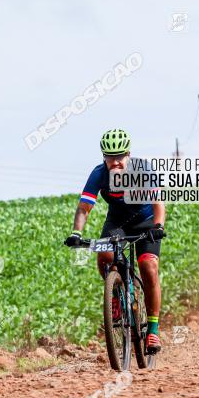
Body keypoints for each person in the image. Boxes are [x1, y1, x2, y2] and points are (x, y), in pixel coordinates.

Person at [64, 129, 166, 353]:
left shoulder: (143, 170)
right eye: (111, 157)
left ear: (128, 154)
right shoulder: (99, 174)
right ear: (104, 157)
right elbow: (84, 207)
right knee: (105, 257)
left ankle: (153, 330)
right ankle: (119, 294)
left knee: (149, 267)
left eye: (120, 156)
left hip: (146, 220)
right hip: (117, 223)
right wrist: (76, 233)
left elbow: (159, 204)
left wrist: (158, 227)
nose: (116, 162)